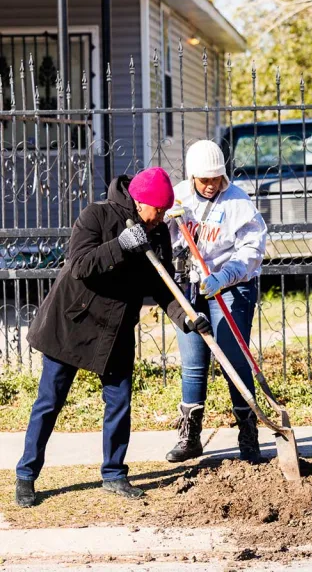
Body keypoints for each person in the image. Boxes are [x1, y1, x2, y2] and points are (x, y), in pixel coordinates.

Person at [15, 168, 212, 508]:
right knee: (49, 402)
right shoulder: (96, 215)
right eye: (158, 210)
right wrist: (121, 245)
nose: (162, 218)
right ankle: (26, 475)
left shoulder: (157, 231)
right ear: (140, 201)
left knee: (119, 403)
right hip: (72, 322)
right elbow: (80, 265)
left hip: (115, 329)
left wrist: (186, 317)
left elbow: (161, 286)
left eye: (166, 211)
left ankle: (114, 474)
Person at [165, 139, 267, 464]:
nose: (210, 185)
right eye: (203, 179)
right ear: (192, 176)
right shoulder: (178, 196)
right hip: (190, 287)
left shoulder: (237, 201)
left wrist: (226, 276)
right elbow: (165, 240)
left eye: (216, 178)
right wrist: (173, 233)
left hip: (231, 285)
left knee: (233, 359)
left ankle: (248, 438)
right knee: (193, 363)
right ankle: (190, 437)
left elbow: (252, 249)